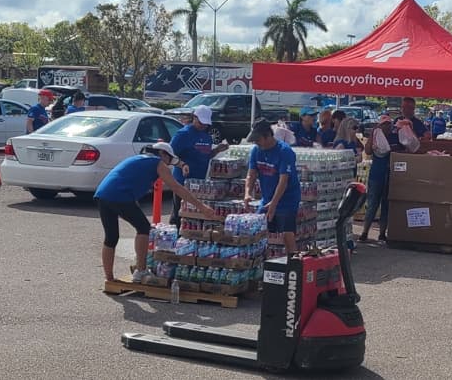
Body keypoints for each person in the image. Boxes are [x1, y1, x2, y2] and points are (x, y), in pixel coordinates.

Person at [94, 142, 215, 282]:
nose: (169, 164)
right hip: (120, 196)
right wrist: (202, 207)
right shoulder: (157, 163)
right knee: (144, 228)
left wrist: (181, 165)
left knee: (111, 236)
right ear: (163, 154)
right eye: (169, 159)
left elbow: (126, 179)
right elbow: (177, 188)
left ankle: (109, 278)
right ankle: (141, 271)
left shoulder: (139, 158)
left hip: (103, 194)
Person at [244, 118, 301, 254]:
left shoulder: (285, 152)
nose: (256, 143)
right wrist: (247, 193)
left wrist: (274, 203)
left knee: (287, 232)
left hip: (287, 198)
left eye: (258, 139)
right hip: (267, 197)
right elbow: (251, 175)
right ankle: (262, 262)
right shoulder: (256, 151)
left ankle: (292, 263)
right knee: (259, 230)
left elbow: (283, 181)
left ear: (268, 136)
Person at [169, 105, 228, 228]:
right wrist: (182, 165)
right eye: (201, 122)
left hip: (200, 185)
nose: (203, 125)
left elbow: (205, 156)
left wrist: (217, 150)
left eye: (206, 123)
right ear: (194, 118)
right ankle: (174, 238)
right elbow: (170, 155)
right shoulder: (183, 134)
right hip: (182, 182)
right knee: (179, 214)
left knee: (193, 216)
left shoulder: (206, 136)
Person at [358, 115, 396, 243]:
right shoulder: (376, 135)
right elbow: (368, 151)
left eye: (388, 124)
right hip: (376, 174)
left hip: (389, 174)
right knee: (373, 203)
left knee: (386, 204)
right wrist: (372, 136)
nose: (387, 127)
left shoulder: (393, 137)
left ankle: (382, 233)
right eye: (384, 124)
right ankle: (365, 232)